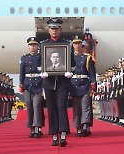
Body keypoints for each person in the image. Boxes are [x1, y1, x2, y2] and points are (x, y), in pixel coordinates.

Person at [40, 18, 75, 147]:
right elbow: (39, 63)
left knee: (61, 107)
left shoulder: (66, 45)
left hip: (62, 83)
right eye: (52, 28)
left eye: (56, 28)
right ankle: (54, 135)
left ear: (60, 30)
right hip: (49, 83)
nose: (54, 30)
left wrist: (70, 71)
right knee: (51, 109)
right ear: (48, 30)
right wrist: (42, 72)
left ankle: (63, 134)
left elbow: (73, 64)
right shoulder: (43, 45)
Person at [70, 35, 96, 137]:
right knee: (76, 108)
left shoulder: (87, 57)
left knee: (85, 106)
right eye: (75, 43)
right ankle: (78, 128)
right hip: (74, 85)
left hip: (85, 84)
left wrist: (93, 84)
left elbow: (91, 72)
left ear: (82, 44)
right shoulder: (70, 58)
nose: (77, 45)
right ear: (73, 45)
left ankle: (85, 125)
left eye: (79, 43)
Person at [19, 37, 44, 138]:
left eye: (34, 45)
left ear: (38, 46)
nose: (33, 47)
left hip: (38, 84)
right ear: (28, 47)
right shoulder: (24, 58)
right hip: (27, 85)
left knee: (37, 106)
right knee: (29, 107)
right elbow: (22, 72)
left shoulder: (41, 57)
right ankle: (32, 128)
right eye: (31, 45)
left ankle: (37, 127)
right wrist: (21, 84)